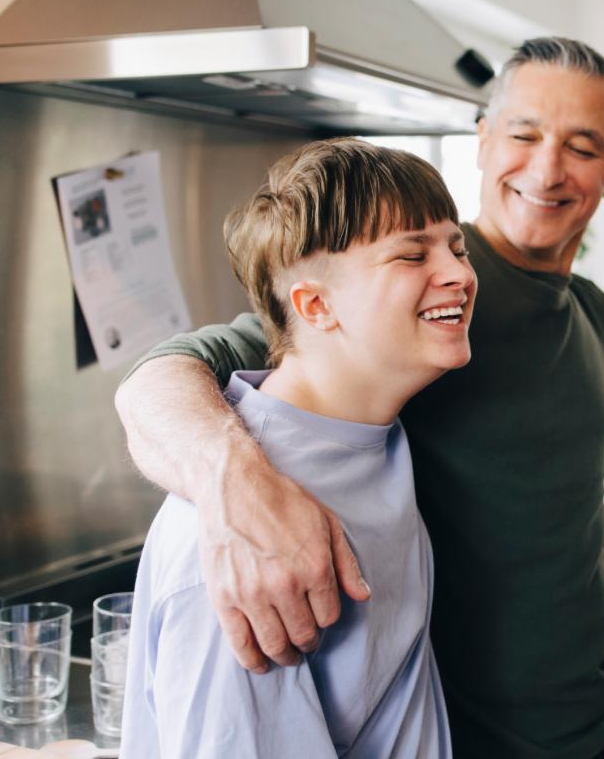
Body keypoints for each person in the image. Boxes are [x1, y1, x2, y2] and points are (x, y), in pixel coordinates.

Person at [115, 37, 604, 759]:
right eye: (523, 134)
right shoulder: (403, 303)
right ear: (482, 142)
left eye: (581, 145)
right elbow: (162, 376)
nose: (547, 167)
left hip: (600, 725)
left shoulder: (591, 316)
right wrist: (234, 485)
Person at [120, 139, 475, 758]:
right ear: (315, 305)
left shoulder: (372, 437)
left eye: (457, 247)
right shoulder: (240, 548)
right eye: (411, 254)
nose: (460, 275)